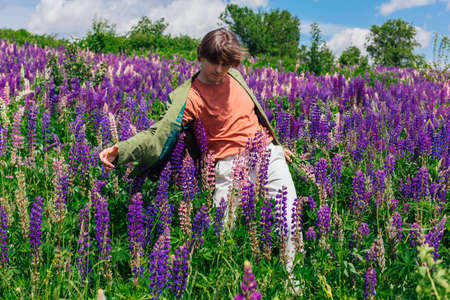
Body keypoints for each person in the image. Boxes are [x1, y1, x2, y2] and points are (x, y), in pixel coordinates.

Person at [99, 28, 299, 282]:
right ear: (200, 56)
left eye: (225, 63)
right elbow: (158, 132)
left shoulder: (236, 77)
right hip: (228, 164)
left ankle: (293, 286)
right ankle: (226, 285)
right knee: (221, 234)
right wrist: (122, 149)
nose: (219, 69)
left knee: (290, 223)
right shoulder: (190, 96)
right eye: (214, 62)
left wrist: (277, 146)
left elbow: (253, 117)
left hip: (267, 154)